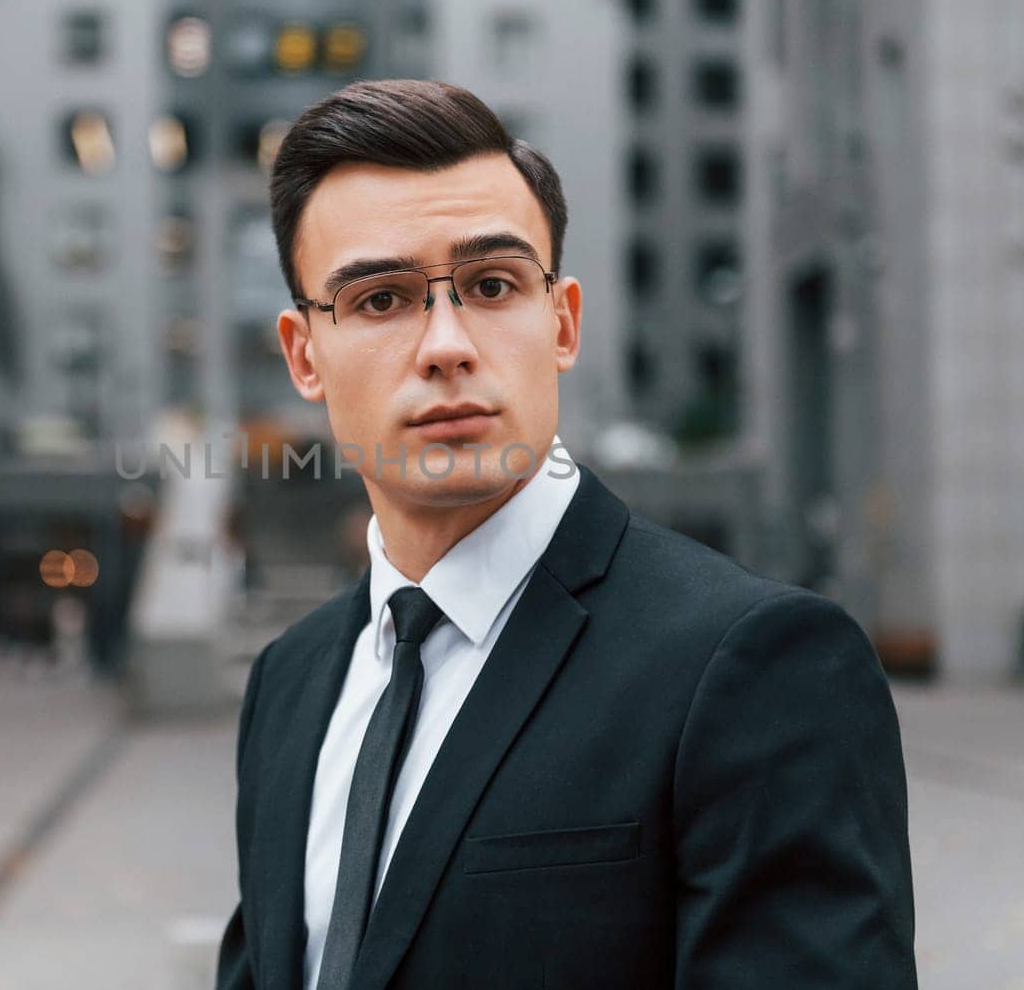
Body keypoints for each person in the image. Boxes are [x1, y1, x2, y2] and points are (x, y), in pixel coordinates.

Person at [217, 80, 916, 989]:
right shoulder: (290, 681)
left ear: (563, 322)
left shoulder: (755, 667)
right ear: (304, 354)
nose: (445, 344)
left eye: (493, 285)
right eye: (382, 299)